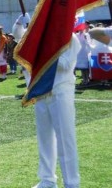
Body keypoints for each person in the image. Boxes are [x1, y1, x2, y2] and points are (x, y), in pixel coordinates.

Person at [31, 35, 81, 188]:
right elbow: (21, 38)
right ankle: (47, 179)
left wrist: (44, 53)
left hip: (61, 91)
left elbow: (66, 65)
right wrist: (21, 21)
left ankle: (72, 183)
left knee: (66, 139)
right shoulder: (40, 34)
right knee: (44, 138)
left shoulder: (70, 38)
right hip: (41, 92)